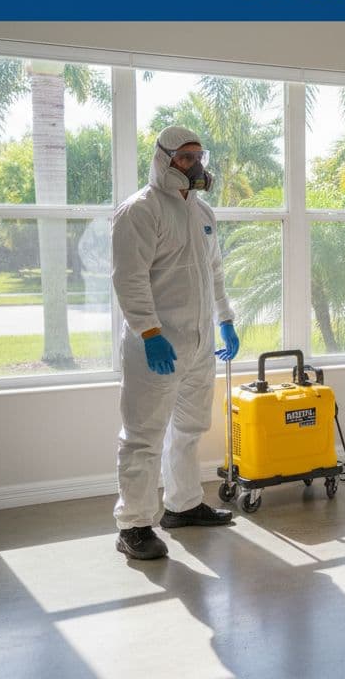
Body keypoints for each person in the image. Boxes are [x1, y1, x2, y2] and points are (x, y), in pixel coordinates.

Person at [110, 125, 242, 560]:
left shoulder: (202, 213)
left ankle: (182, 505)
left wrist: (225, 320)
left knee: (190, 428)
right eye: (186, 159)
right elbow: (129, 280)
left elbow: (215, 273)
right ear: (163, 160)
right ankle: (133, 525)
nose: (196, 166)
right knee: (143, 436)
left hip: (200, 342)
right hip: (157, 345)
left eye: (199, 157)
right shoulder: (140, 211)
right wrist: (149, 333)